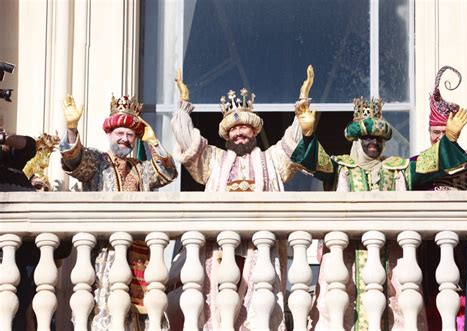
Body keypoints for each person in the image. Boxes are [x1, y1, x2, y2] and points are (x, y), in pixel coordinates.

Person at [290, 65, 467, 330]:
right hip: (347, 265)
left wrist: (450, 140)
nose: (373, 142)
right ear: (357, 140)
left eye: (378, 137)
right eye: (367, 137)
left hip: (391, 266)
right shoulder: (341, 168)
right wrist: (307, 135)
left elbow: (428, 164)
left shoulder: (397, 169)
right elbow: (316, 162)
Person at [169, 69, 304, 329]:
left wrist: (301, 112)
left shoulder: (270, 159)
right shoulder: (215, 160)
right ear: (227, 135)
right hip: (220, 248)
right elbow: (188, 143)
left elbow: (293, 144)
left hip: (258, 248)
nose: (239, 133)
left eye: (244, 127)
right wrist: (183, 108)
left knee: (257, 306)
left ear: (254, 131)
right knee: (218, 308)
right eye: (234, 129)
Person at [59, 94, 178, 330]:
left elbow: (168, 172)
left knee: (144, 317)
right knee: (107, 312)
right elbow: (73, 160)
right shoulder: (97, 161)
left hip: (141, 255)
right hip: (107, 252)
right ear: (109, 134)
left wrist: (152, 141)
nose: (124, 139)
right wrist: (72, 128)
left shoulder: (141, 169)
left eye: (130, 135)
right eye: (119, 133)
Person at [411, 65, 467, 331]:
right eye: (434, 133)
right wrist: (448, 141)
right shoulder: (416, 162)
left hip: (460, 242)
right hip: (427, 244)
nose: (437, 138)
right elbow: (420, 173)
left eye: (442, 132)